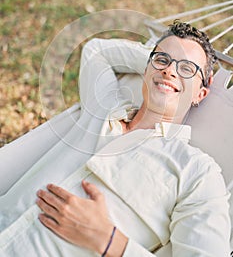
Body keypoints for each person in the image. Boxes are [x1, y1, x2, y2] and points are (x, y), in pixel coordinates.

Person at [0, 20, 231, 256]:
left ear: (201, 92)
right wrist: (157, 65)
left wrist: (110, 241)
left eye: (187, 68)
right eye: (162, 60)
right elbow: (98, 51)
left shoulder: (196, 171)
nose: (169, 70)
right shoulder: (104, 107)